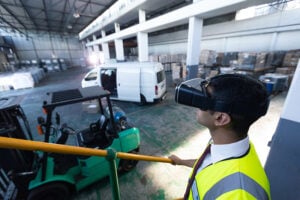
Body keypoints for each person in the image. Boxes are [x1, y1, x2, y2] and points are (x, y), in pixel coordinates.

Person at [169, 74, 271, 200]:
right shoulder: (227, 145)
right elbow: (208, 165)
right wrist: (181, 162)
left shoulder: (238, 194)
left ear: (221, 118)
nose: (197, 104)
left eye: (203, 101)